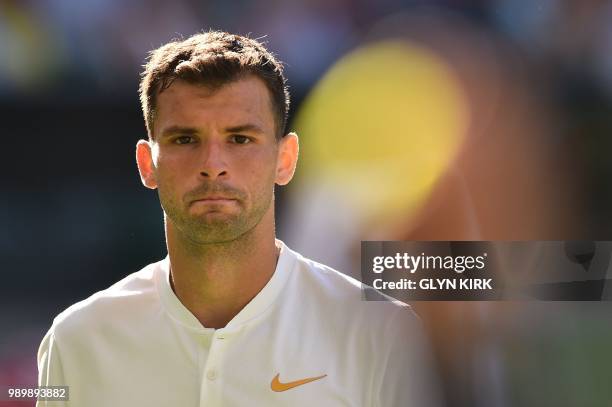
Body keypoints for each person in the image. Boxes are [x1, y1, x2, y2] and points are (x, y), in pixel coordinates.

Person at [37, 31, 440, 406]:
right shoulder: (77, 340)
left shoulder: (380, 333)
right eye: (185, 139)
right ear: (147, 164)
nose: (213, 165)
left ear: (286, 159)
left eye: (240, 139)